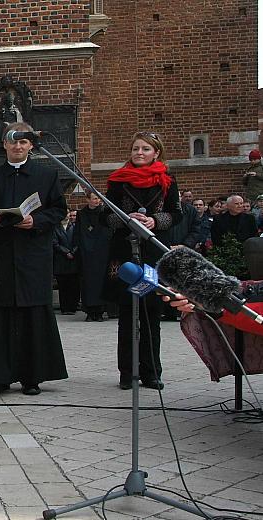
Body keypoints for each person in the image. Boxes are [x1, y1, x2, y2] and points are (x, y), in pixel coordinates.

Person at [0, 121, 68, 396]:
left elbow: (58, 210)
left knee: (33, 317)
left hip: (33, 256)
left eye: (23, 142)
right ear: (4, 144)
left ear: (30, 145)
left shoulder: (46, 176)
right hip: (2, 255)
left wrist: (36, 221)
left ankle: (32, 376)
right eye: (13, 141)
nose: (18, 146)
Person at [104, 131, 181, 391]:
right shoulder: (117, 182)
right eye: (136, 148)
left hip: (152, 251)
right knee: (127, 314)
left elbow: (176, 214)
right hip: (126, 252)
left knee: (150, 314)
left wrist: (155, 221)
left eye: (145, 149)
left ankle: (151, 371)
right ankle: (127, 371)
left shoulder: (167, 181)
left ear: (156, 153)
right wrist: (128, 219)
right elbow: (106, 216)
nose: (139, 153)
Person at [75, 191, 111, 321]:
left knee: (100, 282)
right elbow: (78, 232)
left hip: (101, 251)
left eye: (98, 199)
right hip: (87, 253)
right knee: (88, 283)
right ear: (88, 199)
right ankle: (90, 311)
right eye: (95, 198)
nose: (97, 201)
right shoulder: (82, 214)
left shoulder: (104, 213)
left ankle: (100, 311)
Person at [53, 210, 80, 315]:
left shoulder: (74, 227)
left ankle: (73, 307)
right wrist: (65, 252)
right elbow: (54, 243)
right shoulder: (56, 228)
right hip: (61, 260)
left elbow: (78, 241)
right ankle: (64, 307)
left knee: (73, 285)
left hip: (73, 260)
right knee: (63, 286)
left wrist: (73, 252)